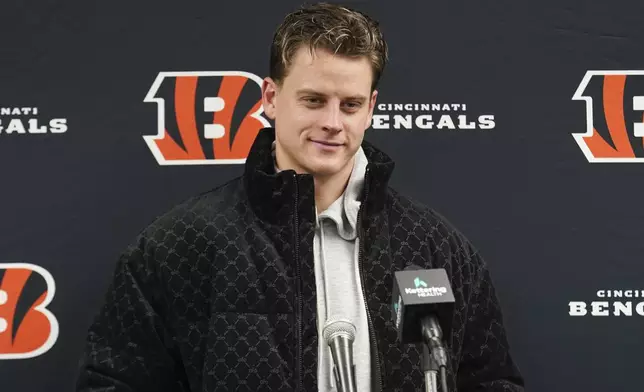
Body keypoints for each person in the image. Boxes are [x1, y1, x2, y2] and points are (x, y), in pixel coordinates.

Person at [76, 2, 525, 391]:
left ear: (370, 108)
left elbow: (490, 382)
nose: (333, 121)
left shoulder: (435, 247)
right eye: (313, 100)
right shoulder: (178, 247)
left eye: (350, 105)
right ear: (271, 97)